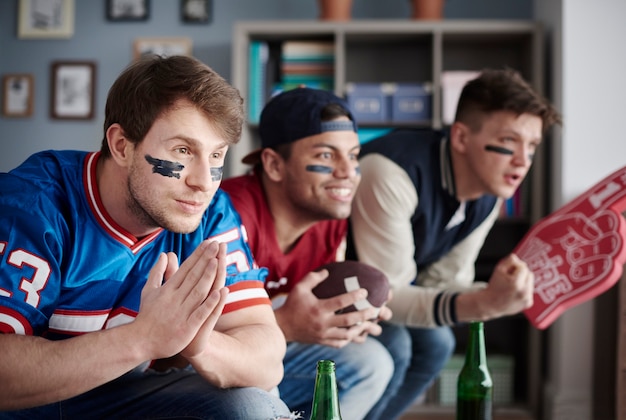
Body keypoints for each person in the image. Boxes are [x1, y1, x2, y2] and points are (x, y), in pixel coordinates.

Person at [0, 55, 293, 419]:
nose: (204, 181)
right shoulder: (33, 203)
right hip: (34, 405)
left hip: (129, 394)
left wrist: (198, 343)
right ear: (122, 145)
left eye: (216, 154)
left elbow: (267, 360)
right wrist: (143, 338)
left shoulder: (207, 210)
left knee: (252, 404)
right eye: (183, 151)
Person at [347, 68, 563, 418]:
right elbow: (391, 294)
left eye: (532, 146)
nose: (523, 162)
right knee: (398, 345)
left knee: (439, 344)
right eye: (509, 143)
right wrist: (484, 303)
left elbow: (446, 280)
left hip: (385, 288)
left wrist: (502, 291)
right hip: (331, 283)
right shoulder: (391, 174)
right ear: (461, 138)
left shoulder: (489, 193)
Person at [221, 87, 414, 419]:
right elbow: (197, 345)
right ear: (274, 165)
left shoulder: (329, 216)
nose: (348, 172)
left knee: (379, 356)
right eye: (326, 155)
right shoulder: (227, 215)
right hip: (217, 359)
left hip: (273, 340)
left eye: (353, 156)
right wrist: (287, 324)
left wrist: (347, 316)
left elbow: (310, 303)